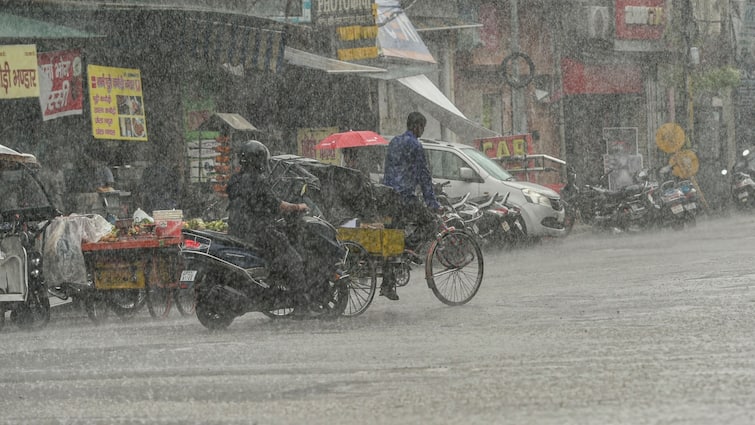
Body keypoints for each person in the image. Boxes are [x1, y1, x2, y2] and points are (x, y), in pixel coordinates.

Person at [225, 140, 312, 313]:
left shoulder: (235, 180)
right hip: (260, 231)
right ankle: (302, 306)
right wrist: (298, 207)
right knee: (294, 261)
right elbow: (277, 205)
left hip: (236, 230)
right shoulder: (258, 180)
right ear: (259, 160)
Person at [380, 112, 442, 301]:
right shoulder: (415, 145)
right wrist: (431, 202)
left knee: (391, 239)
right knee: (430, 223)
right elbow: (424, 176)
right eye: (422, 127)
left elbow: (388, 169)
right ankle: (409, 248)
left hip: (389, 197)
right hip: (405, 197)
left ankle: (387, 285)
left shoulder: (394, 143)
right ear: (416, 126)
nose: (422, 131)